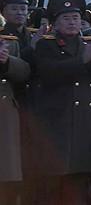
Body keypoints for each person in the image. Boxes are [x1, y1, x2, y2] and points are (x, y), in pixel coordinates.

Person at [30, 0, 91, 205]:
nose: (72, 22)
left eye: (75, 18)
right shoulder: (46, 45)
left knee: (81, 177)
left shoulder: (88, 43)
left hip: (85, 119)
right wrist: (82, 61)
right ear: (55, 23)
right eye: (66, 18)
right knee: (56, 179)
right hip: (58, 120)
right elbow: (48, 72)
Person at [0, 26, 31, 205]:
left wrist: (6, 61)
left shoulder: (9, 42)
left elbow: (25, 72)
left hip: (5, 113)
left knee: (7, 173)